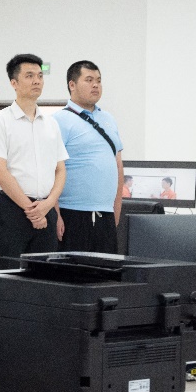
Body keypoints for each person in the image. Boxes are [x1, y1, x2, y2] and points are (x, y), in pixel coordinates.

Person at [0, 54, 68, 261]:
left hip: (46, 208)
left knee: (43, 273)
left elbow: (60, 169)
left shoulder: (51, 124)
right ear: (14, 83)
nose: (37, 81)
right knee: (9, 272)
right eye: (29, 76)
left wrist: (48, 204)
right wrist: (31, 210)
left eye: (40, 76)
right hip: (13, 209)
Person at [53, 60, 124, 254]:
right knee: (73, 271)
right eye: (89, 80)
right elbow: (50, 169)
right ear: (72, 84)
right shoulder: (59, 120)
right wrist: (55, 214)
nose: (96, 85)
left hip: (106, 216)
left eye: (99, 81)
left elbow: (117, 166)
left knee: (106, 271)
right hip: (72, 215)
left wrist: (115, 211)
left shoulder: (108, 119)